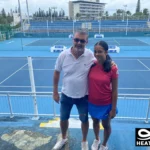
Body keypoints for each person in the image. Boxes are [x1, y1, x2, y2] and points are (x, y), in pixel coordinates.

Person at [53, 30, 95, 150]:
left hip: (83, 97)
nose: (78, 43)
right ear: (73, 40)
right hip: (66, 95)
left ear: (86, 42)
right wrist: (55, 92)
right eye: (76, 40)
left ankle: (84, 142)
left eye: (82, 40)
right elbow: (56, 72)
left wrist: (111, 63)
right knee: (63, 119)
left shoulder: (90, 55)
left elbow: (101, 63)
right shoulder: (63, 55)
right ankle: (64, 138)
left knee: (84, 120)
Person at [88, 41, 118, 150]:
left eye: (99, 51)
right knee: (95, 122)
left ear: (106, 51)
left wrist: (113, 109)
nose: (96, 54)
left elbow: (114, 90)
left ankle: (104, 144)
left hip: (106, 104)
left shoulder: (112, 68)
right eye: (95, 51)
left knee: (106, 125)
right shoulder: (91, 65)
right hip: (92, 102)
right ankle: (97, 139)